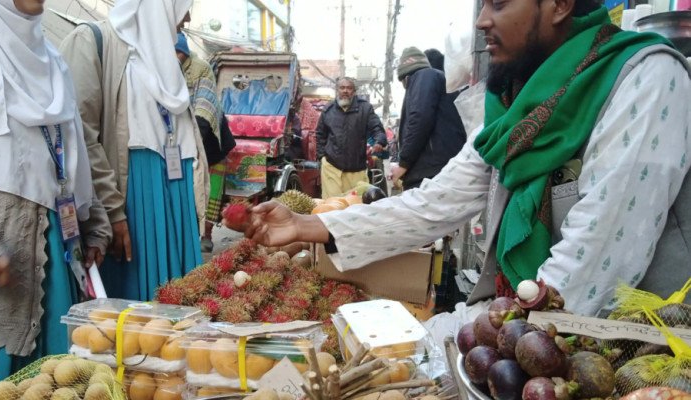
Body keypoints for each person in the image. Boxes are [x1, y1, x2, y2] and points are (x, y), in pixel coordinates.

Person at [226, 0, 691, 317]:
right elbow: (434, 204)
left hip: (630, 361)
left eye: (499, 3)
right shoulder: (514, 108)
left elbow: (594, 264)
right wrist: (305, 225)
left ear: (559, 5)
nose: (482, 21)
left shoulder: (646, 79)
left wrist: (480, 337)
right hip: (530, 335)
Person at [0, 0, 111, 397]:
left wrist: (93, 219)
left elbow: (70, 149)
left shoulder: (51, 60)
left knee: (52, 382)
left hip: (54, 258)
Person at [59, 0, 208, 301]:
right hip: (130, 205)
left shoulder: (165, 60)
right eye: (183, 5)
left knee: (179, 312)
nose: (188, 17)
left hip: (173, 201)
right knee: (137, 313)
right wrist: (113, 213)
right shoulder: (91, 42)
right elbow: (80, 138)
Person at [175, 33, 236, 253]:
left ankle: (207, 234)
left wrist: (194, 144)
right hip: (183, 138)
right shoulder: (164, 69)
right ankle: (189, 231)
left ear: (184, 53)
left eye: (179, 53)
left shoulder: (200, 68)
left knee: (211, 190)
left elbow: (204, 109)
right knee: (189, 189)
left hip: (210, 140)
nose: (175, 58)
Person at [391, 47, 467, 190]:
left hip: (432, 172)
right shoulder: (436, 80)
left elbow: (419, 117)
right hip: (436, 171)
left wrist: (404, 163)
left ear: (405, 77)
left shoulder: (425, 75)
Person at [316, 78, 388, 198]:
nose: (345, 91)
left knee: (355, 204)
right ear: (337, 90)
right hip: (331, 167)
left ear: (354, 91)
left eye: (349, 88)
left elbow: (377, 128)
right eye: (342, 88)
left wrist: (379, 142)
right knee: (332, 204)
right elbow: (320, 134)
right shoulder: (328, 110)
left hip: (356, 168)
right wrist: (321, 157)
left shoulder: (365, 108)